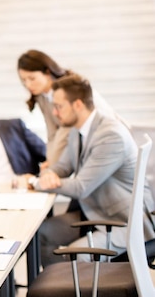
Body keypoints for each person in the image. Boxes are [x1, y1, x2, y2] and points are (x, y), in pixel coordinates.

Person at [28, 74, 155, 266]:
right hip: (97, 213)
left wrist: (35, 182)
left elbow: (80, 187)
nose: (54, 112)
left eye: (59, 106)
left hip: (126, 223)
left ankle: (78, 292)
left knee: (77, 256)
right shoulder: (77, 129)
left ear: (77, 104)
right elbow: (62, 167)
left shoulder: (110, 135)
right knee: (41, 235)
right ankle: (59, 293)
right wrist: (48, 175)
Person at [17, 49, 123, 167]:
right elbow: (52, 135)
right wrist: (50, 163)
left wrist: (51, 167)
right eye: (24, 80)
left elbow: (63, 134)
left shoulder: (66, 90)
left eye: (32, 78)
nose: (28, 85)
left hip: (107, 142)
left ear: (47, 72)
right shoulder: (42, 96)